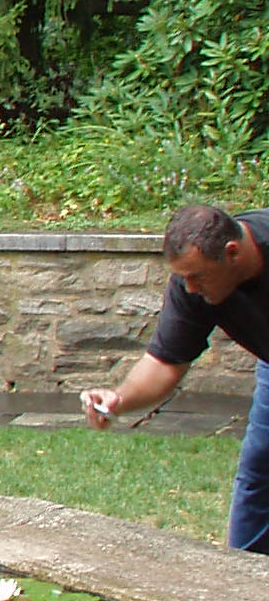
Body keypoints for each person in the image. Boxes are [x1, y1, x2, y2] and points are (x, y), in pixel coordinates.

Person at [82, 204, 269, 553]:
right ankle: (243, 579)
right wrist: (119, 401)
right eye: (184, 277)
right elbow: (166, 362)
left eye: (197, 277)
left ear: (232, 253)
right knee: (260, 473)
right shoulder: (193, 283)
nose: (191, 288)